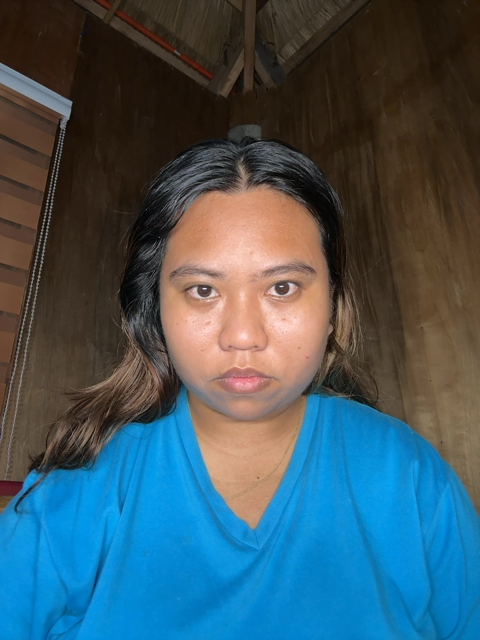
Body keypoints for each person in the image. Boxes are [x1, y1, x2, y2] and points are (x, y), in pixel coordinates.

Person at [0, 138, 479, 639]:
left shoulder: (410, 476)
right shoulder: (81, 488)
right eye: (203, 290)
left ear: (332, 303)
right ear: (155, 310)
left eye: (282, 287)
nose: (243, 336)